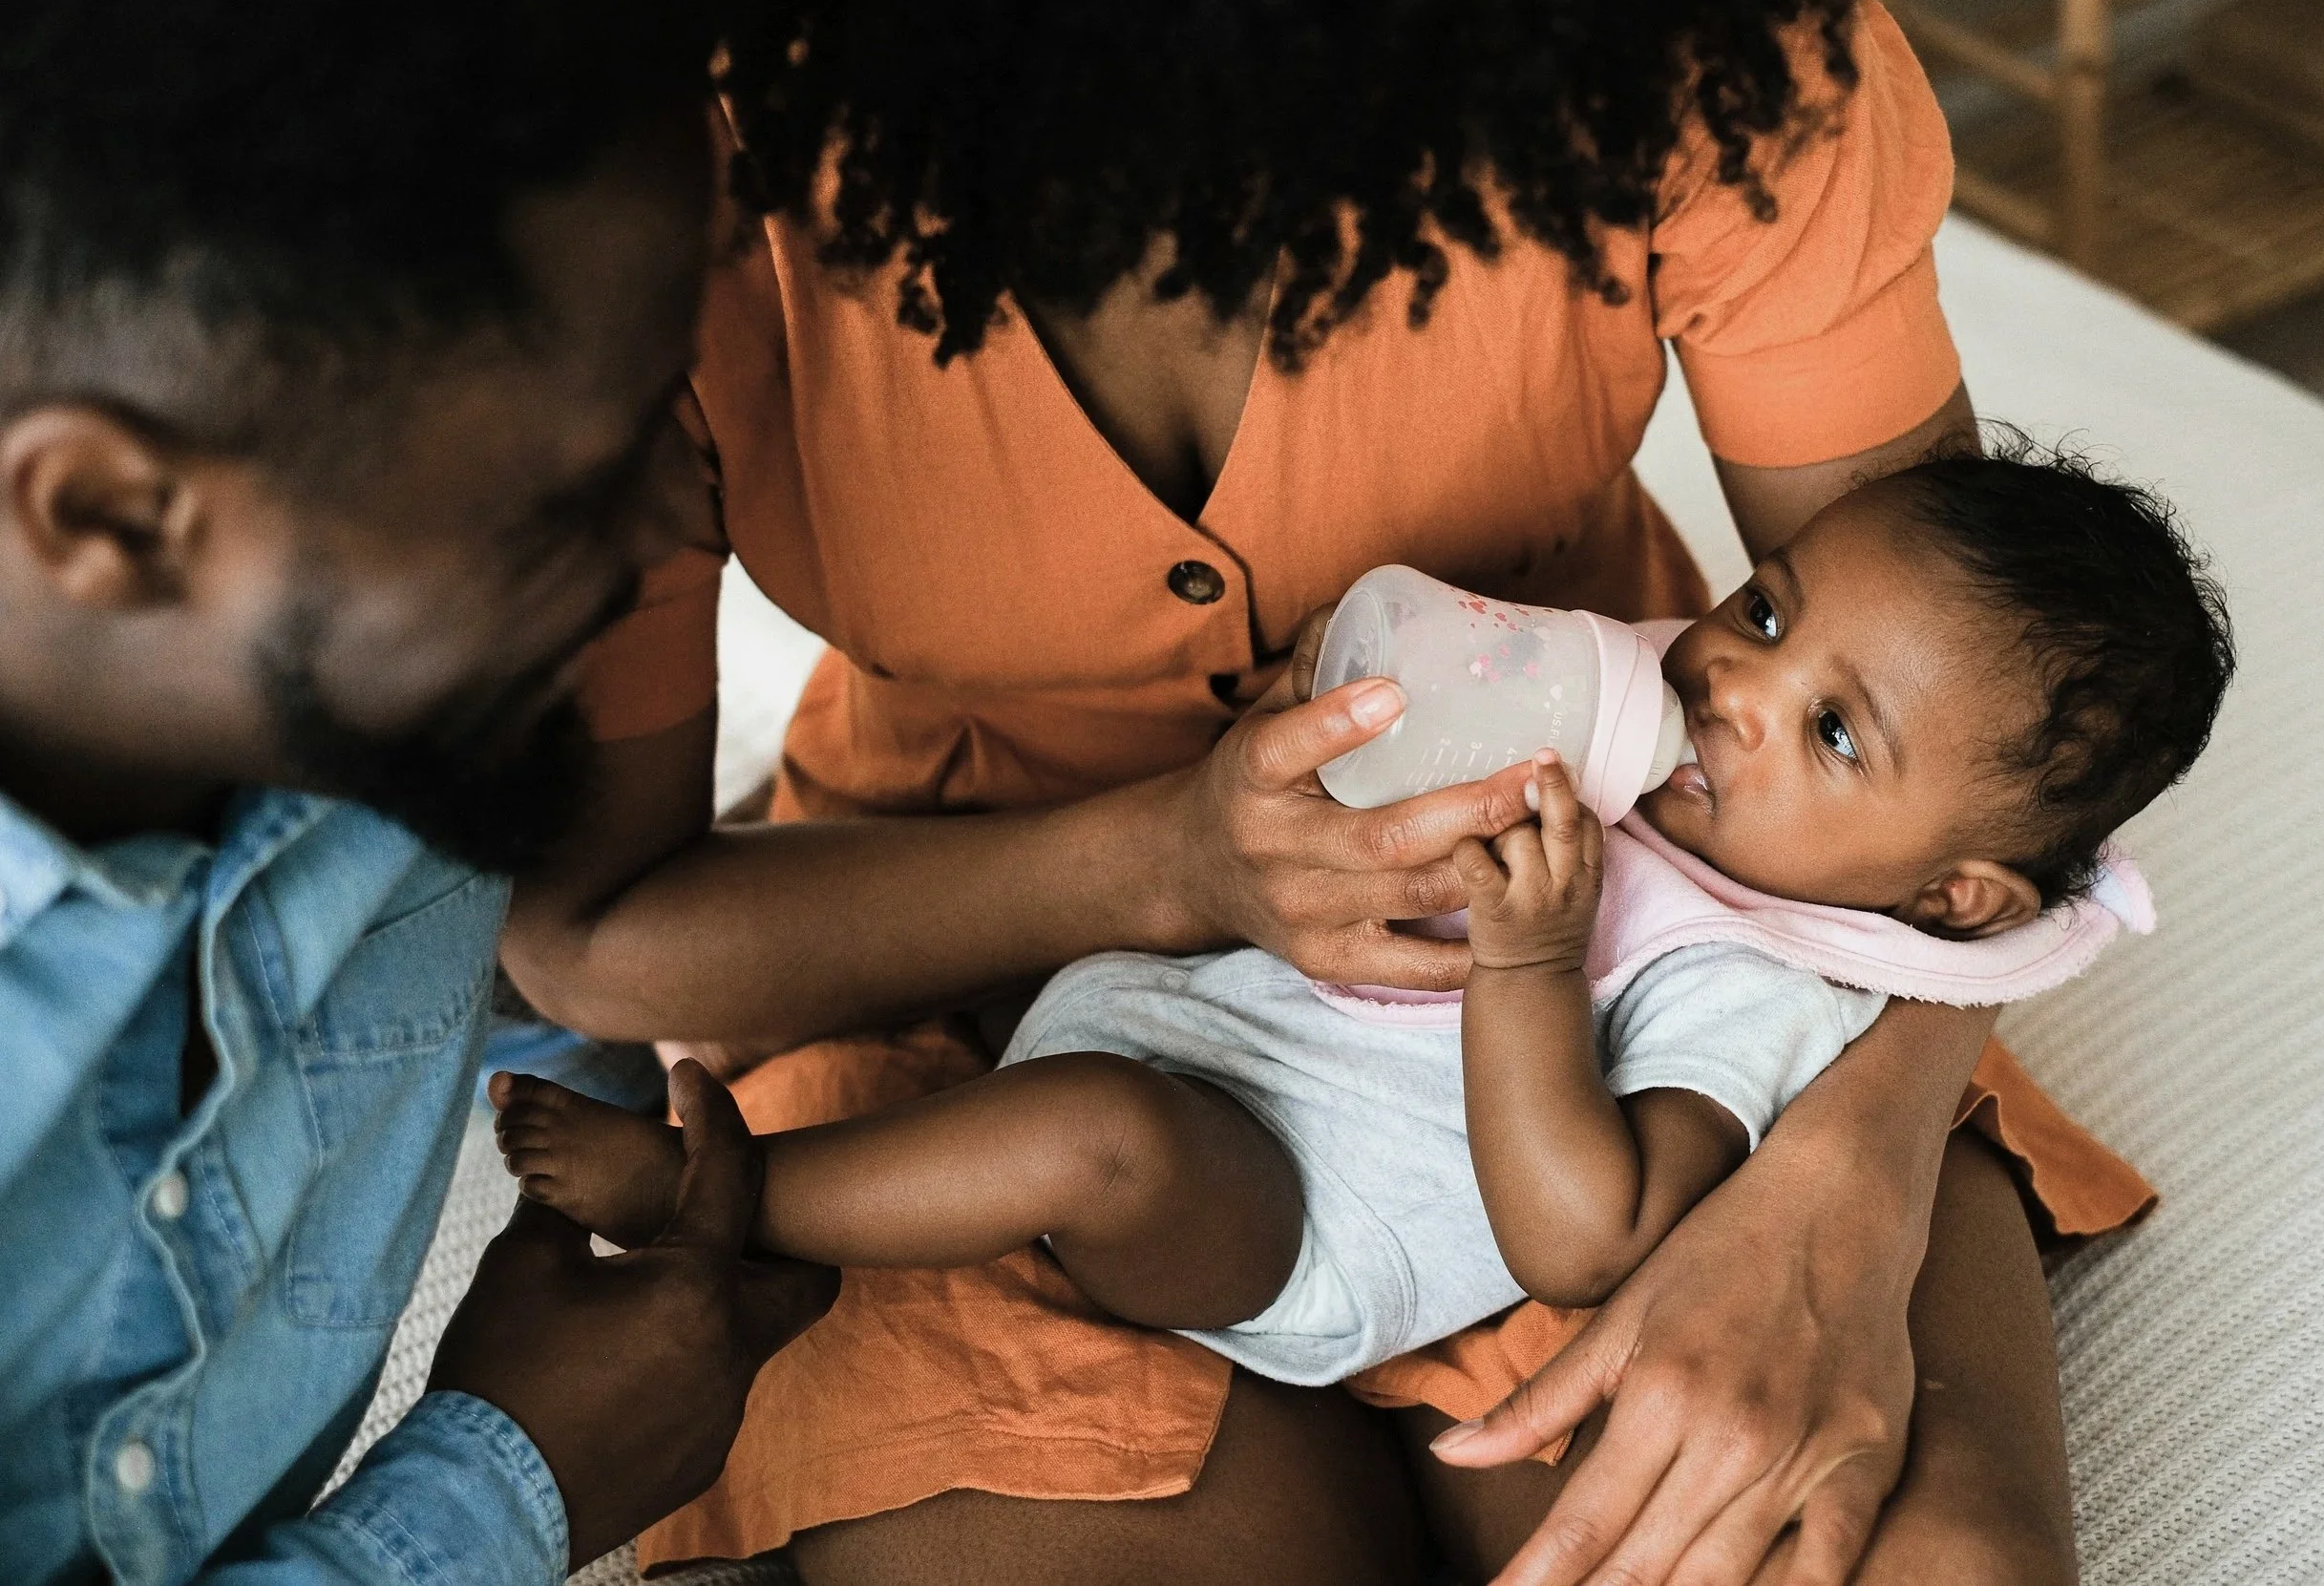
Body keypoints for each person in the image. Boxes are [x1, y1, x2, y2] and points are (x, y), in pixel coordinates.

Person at [504, 0, 2157, 1581]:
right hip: (975, 982)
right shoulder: (669, 159)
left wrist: (1840, 1185)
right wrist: (1168, 865)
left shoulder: (1697, 46)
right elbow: (595, 931)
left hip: (1650, 1007)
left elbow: (1991, 741)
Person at [493, 443, 2230, 1406]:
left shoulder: (1765, 984)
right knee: (1040, 1037)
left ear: (1950, 896)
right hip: (1200, 1000)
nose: (1735, 687)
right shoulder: (1651, 740)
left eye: (1835, 730)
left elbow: (1583, 1231)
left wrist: (1537, 967)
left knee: (1088, 1143)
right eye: (1767, 608)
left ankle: (732, 1199)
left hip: (1300, 1211)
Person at [0, 0, 835, 1581]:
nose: (676, 517)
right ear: (112, 515)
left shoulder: (421, 726)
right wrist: (497, 1486)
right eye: (568, 490)